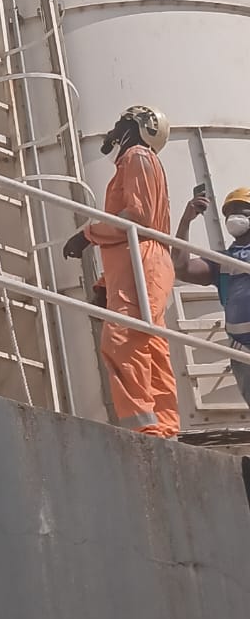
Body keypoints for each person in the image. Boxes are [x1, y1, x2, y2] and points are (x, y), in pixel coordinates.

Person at [63, 105, 179, 438]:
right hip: (141, 263)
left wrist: (86, 235)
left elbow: (137, 218)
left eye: (122, 122)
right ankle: (162, 426)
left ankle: (144, 429)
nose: (114, 129)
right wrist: (103, 284)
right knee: (150, 344)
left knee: (122, 341)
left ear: (138, 127)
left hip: (142, 260)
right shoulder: (139, 161)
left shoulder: (137, 157)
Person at [172, 187, 250, 409]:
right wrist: (186, 221)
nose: (234, 217)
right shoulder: (223, 260)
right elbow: (181, 268)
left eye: (241, 210)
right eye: (229, 212)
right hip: (243, 352)